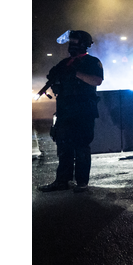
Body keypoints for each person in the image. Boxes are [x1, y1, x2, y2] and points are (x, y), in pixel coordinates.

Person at [38, 30, 104, 193]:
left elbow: (97, 80)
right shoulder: (64, 63)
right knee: (64, 148)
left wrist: (76, 73)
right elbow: (53, 81)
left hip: (83, 111)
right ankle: (62, 181)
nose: (71, 45)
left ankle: (82, 182)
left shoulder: (92, 62)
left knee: (81, 146)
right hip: (65, 111)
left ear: (84, 44)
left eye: (75, 42)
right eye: (71, 42)